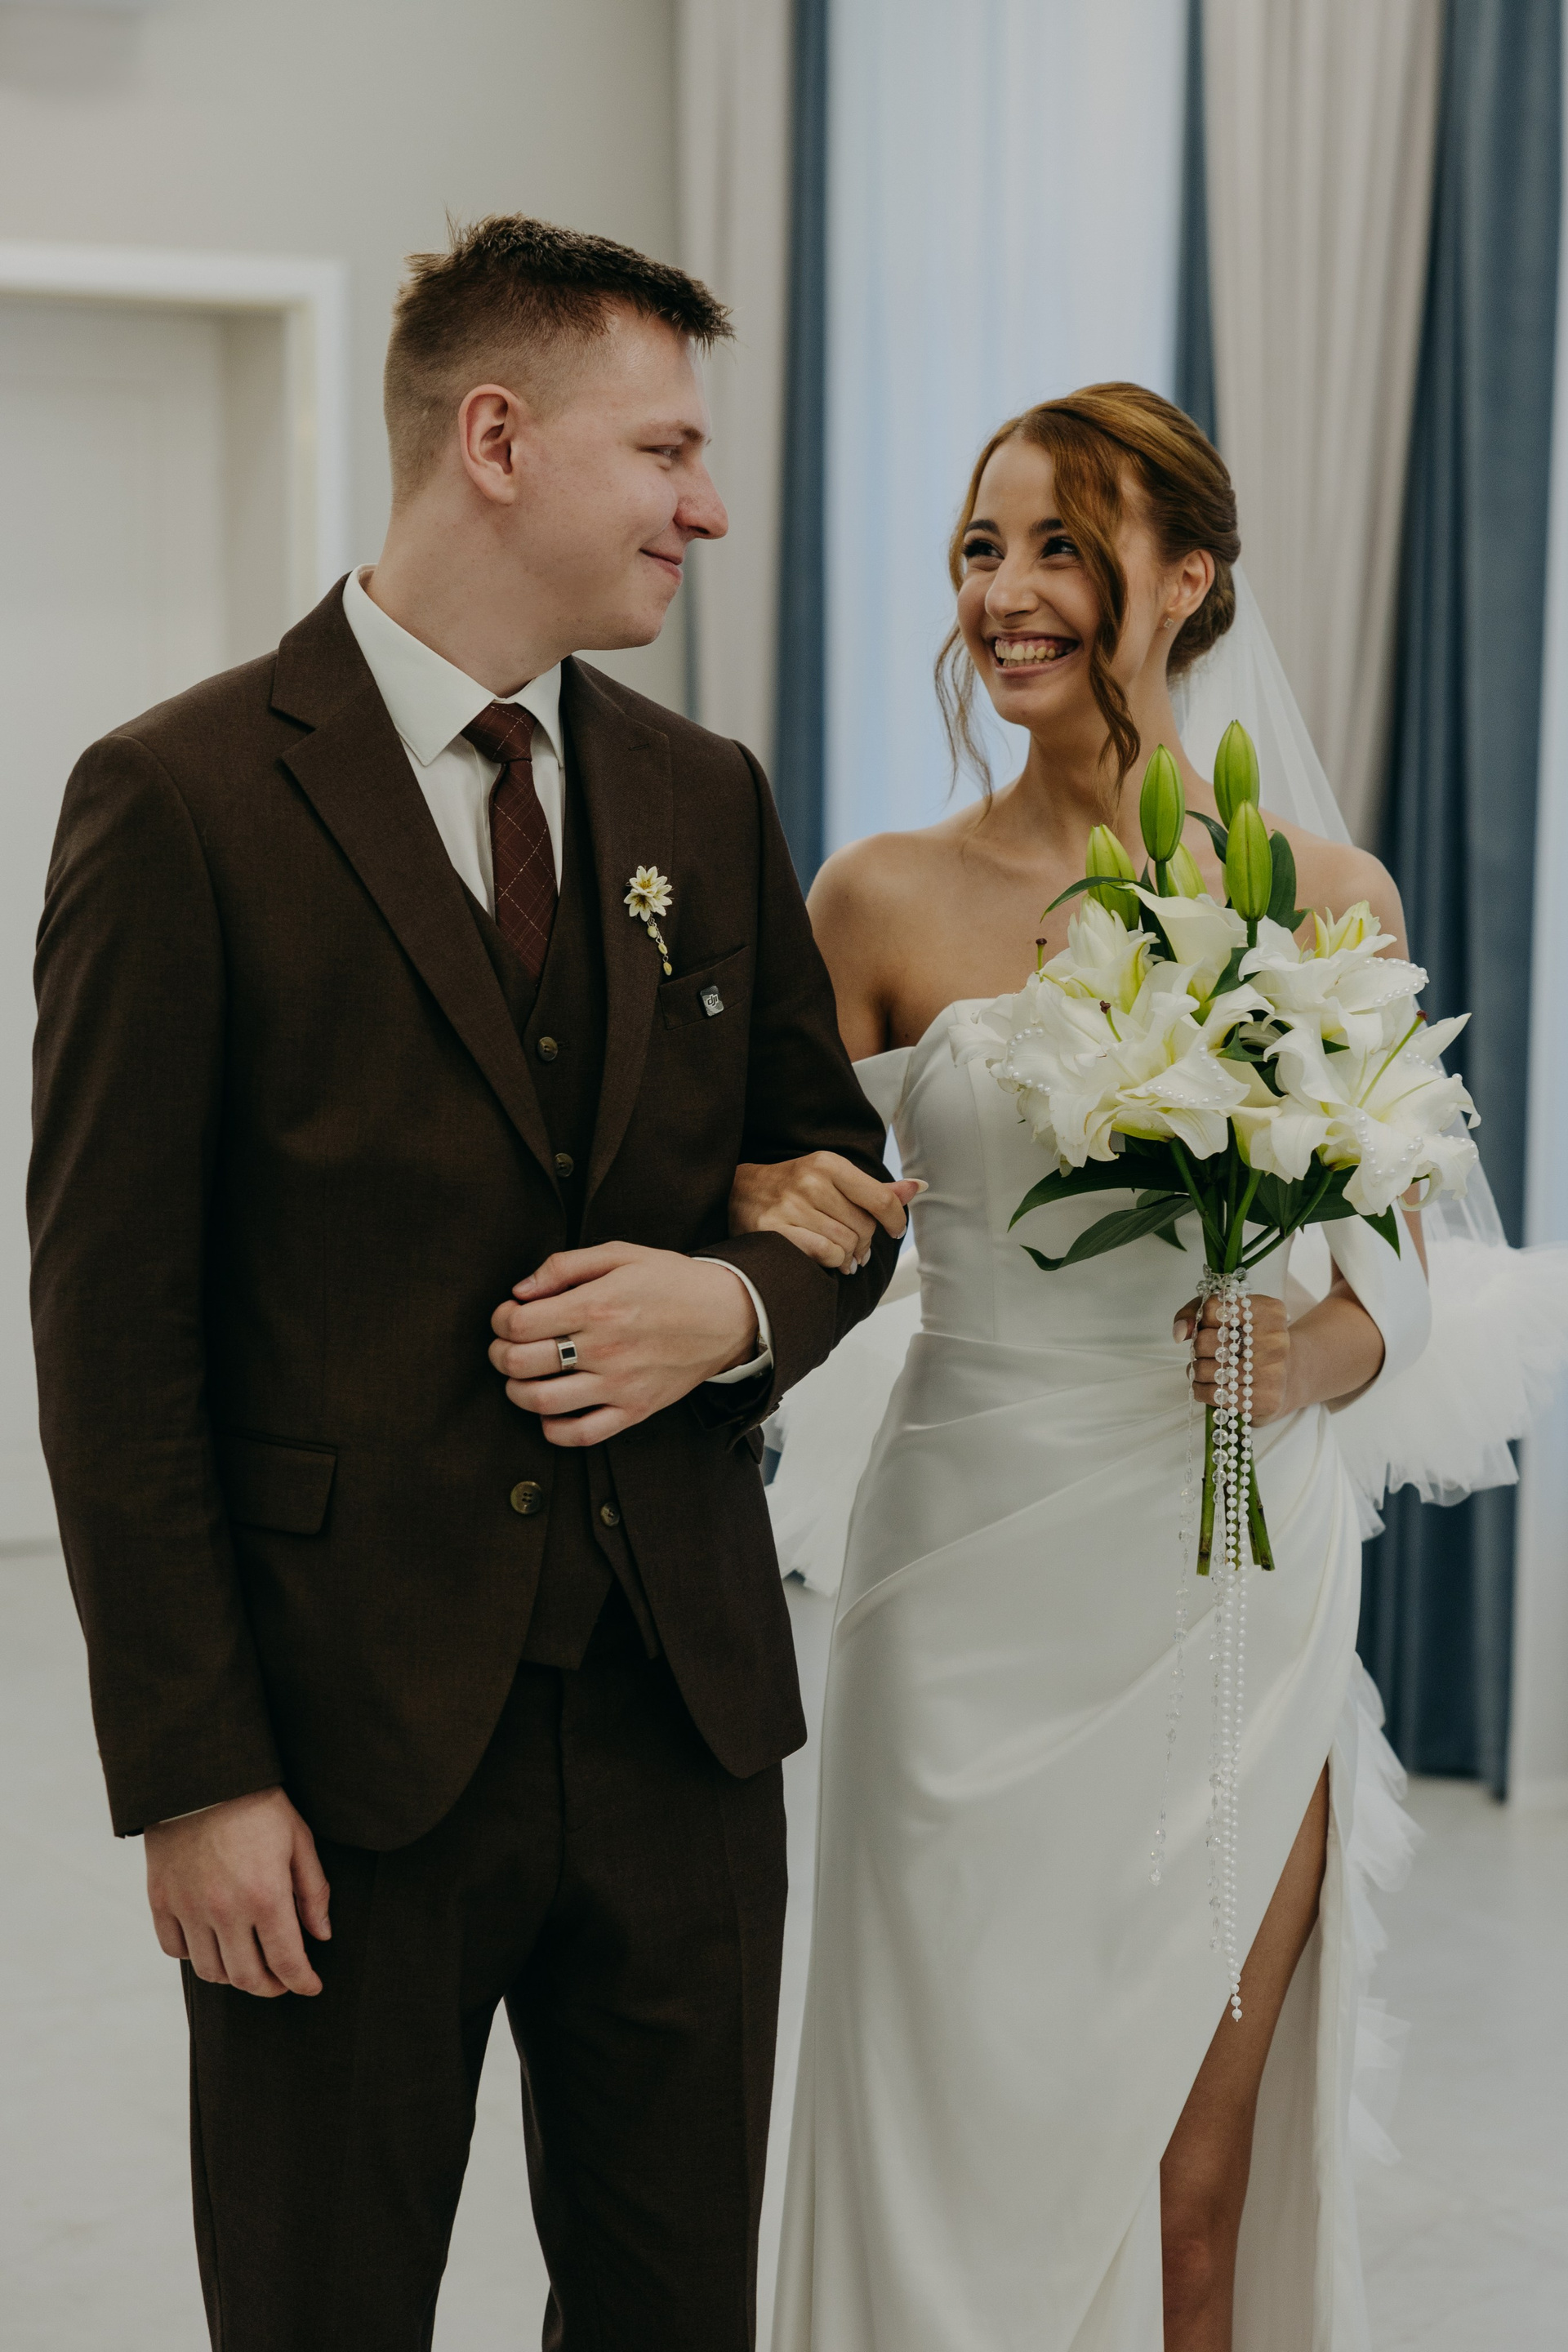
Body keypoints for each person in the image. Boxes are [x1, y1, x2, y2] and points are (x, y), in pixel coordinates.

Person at [28, 214, 907, 2351]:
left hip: (685, 1727)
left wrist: (734, 1313)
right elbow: (110, 1331)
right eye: (667, 450)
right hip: (336, 1759)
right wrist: (195, 1777)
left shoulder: (704, 796)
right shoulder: (180, 799)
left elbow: (836, 1184)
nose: (708, 506)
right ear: (496, 439)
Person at [731, 387, 1433, 2350]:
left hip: (1232, 1590)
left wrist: (1305, 1355)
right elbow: (774, 1196)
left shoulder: (1324, 899)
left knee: (1191, 2184)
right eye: (982, 547)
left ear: (1187, 580)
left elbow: (1397, 1276)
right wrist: (768, 1195)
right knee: (947, 2145)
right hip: (964, 1579)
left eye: (1063, 544)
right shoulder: (875, 896)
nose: (1008, 591)